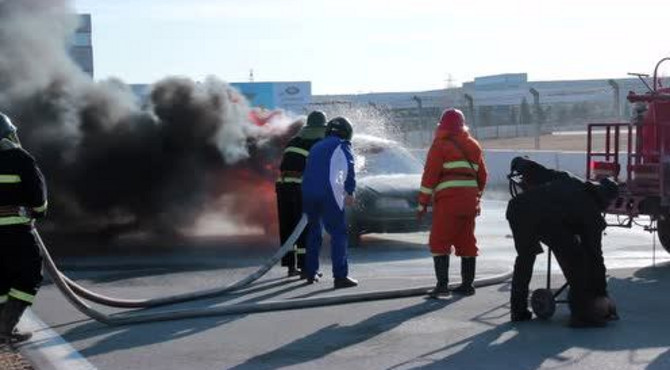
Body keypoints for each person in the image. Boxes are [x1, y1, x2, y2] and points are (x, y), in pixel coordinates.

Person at [506, 156, 619, 327]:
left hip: (518, 209)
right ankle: (582, 316)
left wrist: (522, 163)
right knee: (578, 262)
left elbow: (540, 171)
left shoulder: (570, 179)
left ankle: (518, 311)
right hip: (545, 219)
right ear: (606, 200)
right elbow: (595, 257)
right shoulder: (591, 212)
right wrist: (602, 295)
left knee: (525, 258)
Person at [417, 108, 487, 298]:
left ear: (441, 125)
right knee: (467, 241)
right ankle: (467, 285)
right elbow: (482, 176)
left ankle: (442, 287)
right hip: (469, 203)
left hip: (448, 202)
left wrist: (422, 203)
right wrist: (476, 197)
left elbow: (430, 176)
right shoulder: (474, 145)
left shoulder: (440, 145)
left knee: (439, 241)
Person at [0, 112, 48, 344]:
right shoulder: (20, 158)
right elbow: (38, 199)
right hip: (15, 232)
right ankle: (5, 327)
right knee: (29, 276)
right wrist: (38, 213)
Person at [301, 116, 358, 289]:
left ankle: (310, 272)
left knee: (313, 231)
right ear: (347, 132)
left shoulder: (316, 146)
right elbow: (349, 167)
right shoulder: (342, 144)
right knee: (338, 233)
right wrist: (350, 191)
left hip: (308, 193)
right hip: (329, 193)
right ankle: (340, 276)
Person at [275, 111, 327, 278]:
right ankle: (306, 268)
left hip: (283, 188)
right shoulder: (318, 142)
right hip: (300, 189)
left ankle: (291, 267)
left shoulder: (294, 140)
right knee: (307, 228)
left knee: (288, 226)